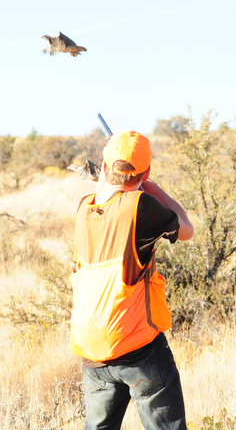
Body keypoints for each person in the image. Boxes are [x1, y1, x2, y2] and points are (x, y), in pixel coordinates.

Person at [69, 130, 194, 430]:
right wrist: (152, 187)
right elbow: (187, 228)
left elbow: (106, 190)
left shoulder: (85, 208)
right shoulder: (141, 206)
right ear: (146, 171)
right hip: (137, 347)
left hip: (93, 348)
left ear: (105, 164)